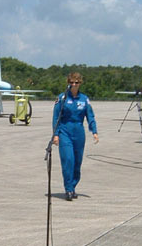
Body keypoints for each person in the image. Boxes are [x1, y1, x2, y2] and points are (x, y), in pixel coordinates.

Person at [52, 72, 99, 201]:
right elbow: (56, 117)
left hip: (78, 132)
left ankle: (72, 186)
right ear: (68, 83)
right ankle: (68, 189)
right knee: (68, 160)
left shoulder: (84, 99)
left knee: (77, 163)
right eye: (71, 82)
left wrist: (94, 131)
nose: (74, 85)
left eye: (76, 83)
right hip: (64, 131)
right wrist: (55, 134)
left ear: (80, 84)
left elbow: (90, 115)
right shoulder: (62, 98)